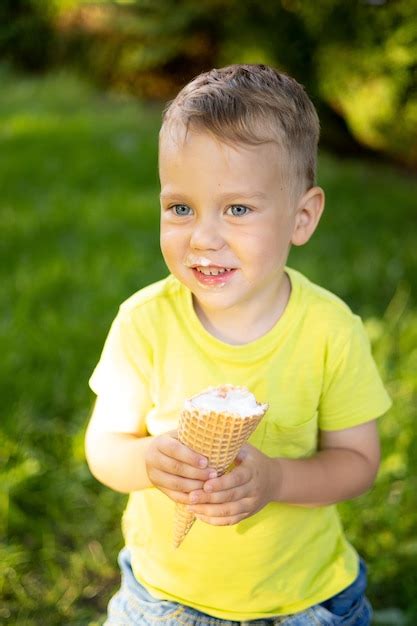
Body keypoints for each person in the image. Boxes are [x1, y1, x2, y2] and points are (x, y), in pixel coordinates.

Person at [85, 64, 392, 625]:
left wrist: (276, 479)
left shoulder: (330, 331)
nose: (203, 236)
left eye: (238, 209)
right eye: (181, 207)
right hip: (164, 596)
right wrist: (148, 461)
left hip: (305, 600)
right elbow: (104, 446)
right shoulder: (143, 323)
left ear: (302, 217)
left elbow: (358, 463)